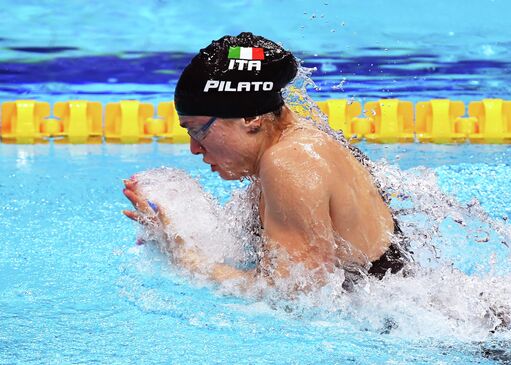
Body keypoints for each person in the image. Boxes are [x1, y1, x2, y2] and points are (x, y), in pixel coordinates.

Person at [123, 32, 409, 291]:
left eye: (198, 130)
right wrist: (175, 232)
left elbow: (294, 295)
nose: (194, 148)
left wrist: (189, 262)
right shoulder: (292, 146)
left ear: (249, 117)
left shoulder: (290, 161)